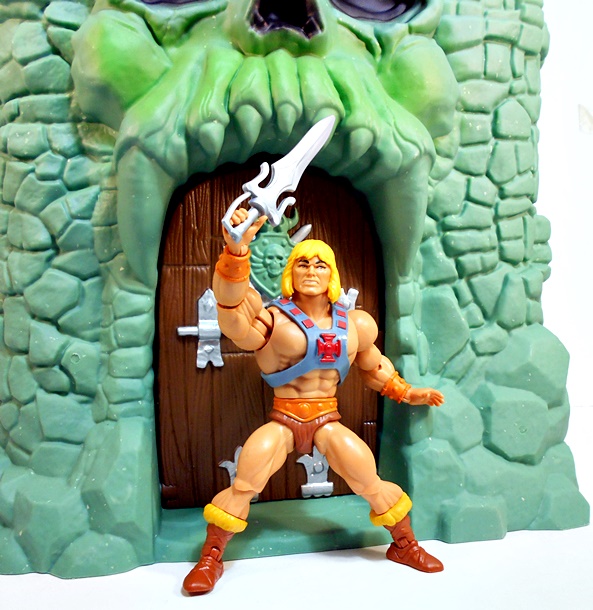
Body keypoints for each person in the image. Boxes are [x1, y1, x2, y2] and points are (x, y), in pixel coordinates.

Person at [183, 208, 445, 595]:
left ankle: (404, 544)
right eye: (302, 263)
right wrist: (236, 252)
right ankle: (211, 558)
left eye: (320, 264)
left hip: (327, 419)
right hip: (284, 417)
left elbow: (374, 367)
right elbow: (232, 314)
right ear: (290, 272)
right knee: (245, 482)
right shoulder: (273, 319)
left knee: (369, 480)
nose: (311, 270)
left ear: (332, 274)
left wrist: (407, 392)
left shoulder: (355, 324)